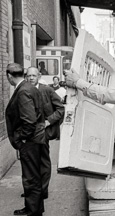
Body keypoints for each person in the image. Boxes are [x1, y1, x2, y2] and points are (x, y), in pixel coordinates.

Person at [5, 63, 46, 216]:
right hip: (34, 139)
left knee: (30, 177)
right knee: (33, 176)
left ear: (9, 76)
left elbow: (29, 120)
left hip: (30, 141)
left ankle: (33, 211)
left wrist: (21, 139)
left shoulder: (23, 91)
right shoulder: (29, 88)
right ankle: (34, 208)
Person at [26, 67, 65, 200]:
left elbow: (60, 109)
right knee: (31, 163)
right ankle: (34, 190)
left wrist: (48, 121)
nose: (31, 78)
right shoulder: (24, 90)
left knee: (43, 162)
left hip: (43, 133)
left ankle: (43, 190)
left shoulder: (47, 90)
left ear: (39, 76)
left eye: (33, 75)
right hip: (29, 133)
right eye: (28, 75)